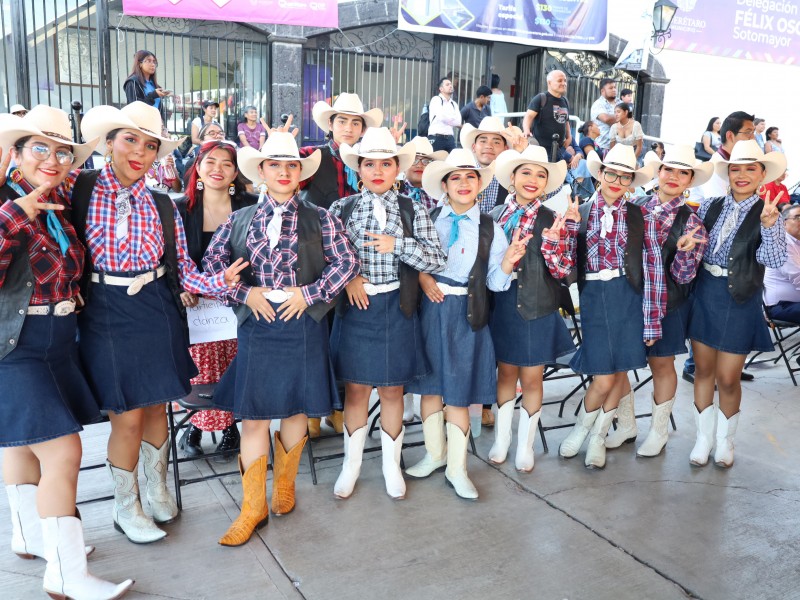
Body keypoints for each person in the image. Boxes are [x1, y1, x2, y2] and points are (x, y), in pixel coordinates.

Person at [73, 101, 247, 544]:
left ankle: (157, 489)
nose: (139, 152)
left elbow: (181, 268)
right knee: (126, 417)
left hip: (157, 310)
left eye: (150, 145)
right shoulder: (81, 189)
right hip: (106, 311)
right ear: (109, 142)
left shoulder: (161, 203)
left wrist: (218, 282)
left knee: (157, 408)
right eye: (130, 140)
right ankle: (125, 507)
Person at [0, 106, 134, 600]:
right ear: (15, 153)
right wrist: (14, 216)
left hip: (56, 341)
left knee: (19, 443)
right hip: (15, 347)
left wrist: (68, 291)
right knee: (63, 450)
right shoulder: (8, 202)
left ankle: (33, 536)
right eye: (40, 148)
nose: (52, 159)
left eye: (60, 151)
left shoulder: (54, 202)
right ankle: (65, 573)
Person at [203, 131, 357, 545]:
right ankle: (252, 508)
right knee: (253, 416)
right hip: (257, 324)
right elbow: (210, 268)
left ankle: (284, 487)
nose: (284, 172)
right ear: (261, 172)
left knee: (293, 410)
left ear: (300, 174)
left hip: (302, 324)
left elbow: (347, 262)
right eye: (275, 165)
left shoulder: (320, 217)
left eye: (291, 165)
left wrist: (308, 294)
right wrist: (243, 292)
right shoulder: (238, 220)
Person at [328, 127, 446, 500]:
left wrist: (398, 245)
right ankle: (352, 465)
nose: (377, 170)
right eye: (369, 163)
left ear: (397, 167)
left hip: (398, 306)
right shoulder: (341, 209)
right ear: (358, 169)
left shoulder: (412, 208)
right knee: (358, 389)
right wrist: (349, 278)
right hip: (357, 309)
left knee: (393, 390)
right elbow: (328, 258)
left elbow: (435, 257)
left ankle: (391, 465)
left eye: (385, 163)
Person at [404, 149, 518, 498]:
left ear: (480, 184)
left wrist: (509, 262)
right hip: (432, 309)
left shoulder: (490, 227)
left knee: (458, 391)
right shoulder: (428, 218)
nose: (464, 183)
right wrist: (424, 278)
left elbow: (496, 282)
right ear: (444, 185)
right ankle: (435, 454)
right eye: (456, 177)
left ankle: (457, 467)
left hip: (469, 313)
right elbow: (412, 257)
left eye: (470, 177)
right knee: (430, 387)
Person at [558, 145, 662, 469]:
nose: (617, 181)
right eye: (611, 173)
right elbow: (563, 265)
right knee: (602, 376)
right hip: (593, 295)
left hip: (628, 295)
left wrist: (652, 321)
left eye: (625, 176)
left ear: (632, 180)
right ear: (599, 174)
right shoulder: (581, 211)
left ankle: (598, 437)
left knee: (618, 374)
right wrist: (568, 229)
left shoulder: (640, 215)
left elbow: (654, 267)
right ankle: (581, 430)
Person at [606, 145, 712, 457]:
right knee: (621, 363)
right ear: (659, 172)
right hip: (629, 298)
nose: (674, 177)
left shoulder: (691, 222)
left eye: (683, 172)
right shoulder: (635, 205)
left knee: (662, 365)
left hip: (668, 305)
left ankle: (658, 431)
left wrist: (683, 251)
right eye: (668, 169)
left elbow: (683, 277)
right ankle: (626, 425)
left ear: (690, 180)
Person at [687, 140, 787, 468]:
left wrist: (770, 226)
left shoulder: (769, 211)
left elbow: (772, 259)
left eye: (750, 168)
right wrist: (688, 245)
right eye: (736, 168)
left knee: (728, 377)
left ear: (762, 174)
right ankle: (703, 438)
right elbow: (695, 249)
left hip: (740, 299)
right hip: (705, 294)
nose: (742, 175)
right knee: (703, 370)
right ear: (728, 172)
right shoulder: (710, 206)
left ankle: (725, 440)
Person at [486, 146, 578, 472]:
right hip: (501, 307)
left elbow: (565, 272)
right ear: (511, 177)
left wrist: (554, 244)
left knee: (533, 377)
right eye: (526, 172)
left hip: (537, 308)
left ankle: (524, 445)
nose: (533, 179)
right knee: (505, 374)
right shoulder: (495, 216)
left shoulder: (553, 219)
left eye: (541, 175)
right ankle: (502, 439)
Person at [299, 93, 386, 437]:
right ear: (330, 125)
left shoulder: (370, 161)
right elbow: (288, 183)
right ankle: (309, 411)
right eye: (342, 121)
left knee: (342, 337)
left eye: (355, 122)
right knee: (314, 335)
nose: (348, 128)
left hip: (359, 264)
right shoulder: (313, 157)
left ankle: (337, 406)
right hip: (317, 262)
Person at [176, 140, 257, 460]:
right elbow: (172, 259)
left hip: (239, 302)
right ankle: (195, 426)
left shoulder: (251, 205)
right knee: (200, 370)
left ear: (236, 172)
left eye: (226, 164)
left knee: (233, 368)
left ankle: (228, 429)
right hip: (195, 305)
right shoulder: (180, 208)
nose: (217, 170)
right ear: (197, 166)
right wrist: (180, 288)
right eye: (210, 162)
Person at [685, 111, 758, 383]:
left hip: (735, 249)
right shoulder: (719, 165)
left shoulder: (733, 163)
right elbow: (720, 203)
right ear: (730, 135)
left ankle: (728, 361)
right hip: (709, 239)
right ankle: (696, 365)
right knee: (708, 307)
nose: (752, 136)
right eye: (747, 132)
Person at [460, 116, 528, 214]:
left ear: (506, 148)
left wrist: (524, 153)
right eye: (483, 141)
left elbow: (551, 190)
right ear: (474, 147)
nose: (489, 146)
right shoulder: (460, 176)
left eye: (496, 142)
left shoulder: (512, 178)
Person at [522, 70, 579, 166]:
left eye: (565, 81)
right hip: (541, 150)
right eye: (559, 81)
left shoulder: (565, 101)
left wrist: (569, 137)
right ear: (549, 82)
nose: (564, 83)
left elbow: (566, 121)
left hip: (559, 150)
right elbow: (529, 116)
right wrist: (526, 130)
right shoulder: (541, 98)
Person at [763, 203, 800, 324]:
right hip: (781, 306)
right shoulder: (780, 245)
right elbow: (798, 278)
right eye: (798, 217)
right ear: (784, 223)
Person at [123, 50, 171, 125]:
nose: (153, 64)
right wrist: (153, 95)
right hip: (140, 126)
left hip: (155, 126)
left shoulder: (154, 85)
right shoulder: (133, 82)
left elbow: (159, 110)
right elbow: (134, 106)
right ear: (140, 64)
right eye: (149, 61)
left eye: (154, 62)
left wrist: (163, 126)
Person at [400, 136, 447, 212]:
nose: (419, 165)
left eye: (426, 161)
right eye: (414, 160)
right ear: (404, 166)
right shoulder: (394, 191)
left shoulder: (440, 196)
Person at [427, 77, 462, 152]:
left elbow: (458, 121)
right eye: (447, 84)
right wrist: (452, 119)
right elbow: (441, 117)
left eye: (451, 84)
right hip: (436, 137)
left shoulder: (454, 104)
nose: (450, 86)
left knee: (451, 161)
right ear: (441, 89)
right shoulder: (436, 100)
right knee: (435, 161)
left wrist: (448, 118)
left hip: (450, 138)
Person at [590, 78, 617, 156]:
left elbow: (630, 119)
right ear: (602, 91)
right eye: (610, 88)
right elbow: (606, 119)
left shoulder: (620, 102)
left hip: (618, 147)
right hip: (602, 147)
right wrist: (623, 117)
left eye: (615, 87)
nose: (614, 90)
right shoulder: (598, 104)